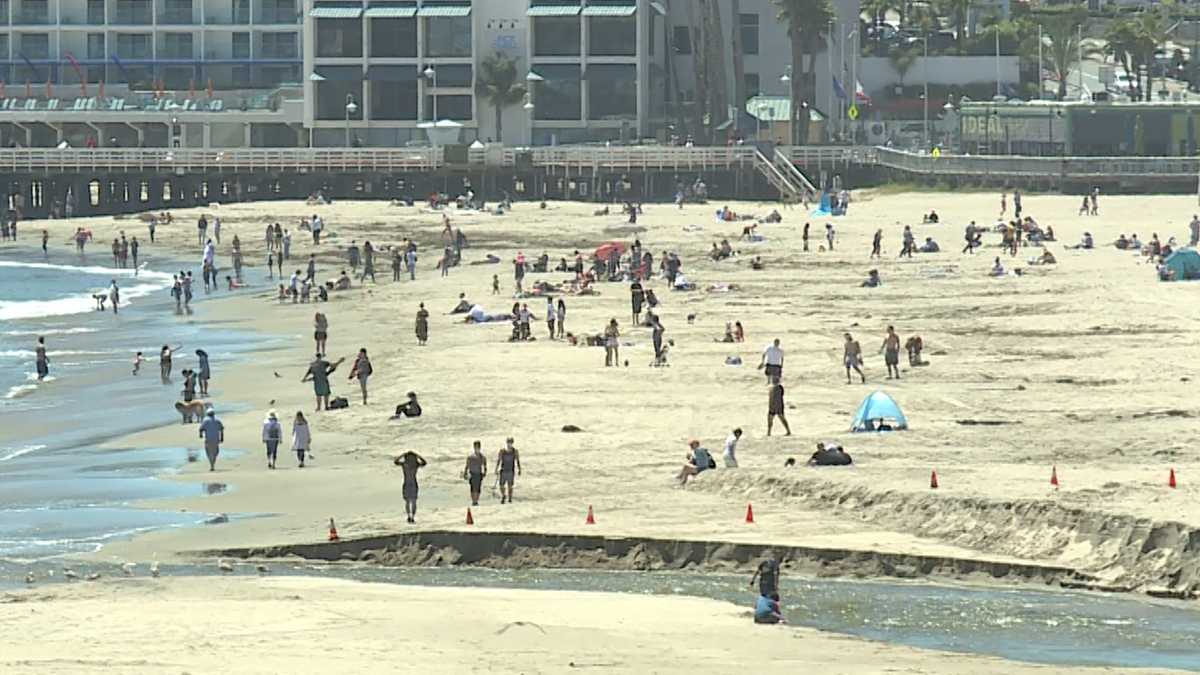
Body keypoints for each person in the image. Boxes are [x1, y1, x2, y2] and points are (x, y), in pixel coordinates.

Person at [393, 450, 428, 523]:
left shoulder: (407, 464)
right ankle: (410, 516)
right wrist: (416, 455)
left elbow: (424, 463)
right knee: (410, 501)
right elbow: (395, 462)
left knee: (410, 501)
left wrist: (404, 455)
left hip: (409, 483)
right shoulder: (413, 464)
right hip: (411, 483)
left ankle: (411, 516)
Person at [496, 437, 522, 504]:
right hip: (503, 470)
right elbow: (499, 460)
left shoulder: (515, 451)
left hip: (511, 470)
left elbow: (517, 460)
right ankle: (503, 495)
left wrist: (519, 469)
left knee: (510, 485)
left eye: (510, 442)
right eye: (508, 442)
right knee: (501, 485)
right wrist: (496, 468)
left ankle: (510, 498)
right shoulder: (502, 451)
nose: (509, 444)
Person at [463, 441, 487, 506]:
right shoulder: (470, 457)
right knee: (473, 488)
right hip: (472, 473)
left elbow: (485, 466)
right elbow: (467, 465)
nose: (477, 448)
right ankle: (474, 501)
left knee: (478, 488)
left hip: (479, 474)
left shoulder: (482, 457)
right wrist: (465, 473)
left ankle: (476, 500)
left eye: (478, 447)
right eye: (476, 447)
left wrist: (484, 472)